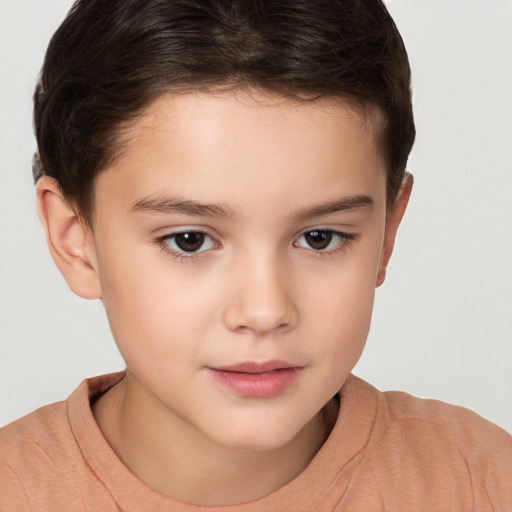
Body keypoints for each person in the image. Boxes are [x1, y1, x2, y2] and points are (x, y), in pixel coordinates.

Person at [0, 0, 510, 510]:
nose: (264, 311)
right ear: (76, 240)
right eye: (189, 240)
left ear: (386, 233)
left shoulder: (483, 481)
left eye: (320, 237)